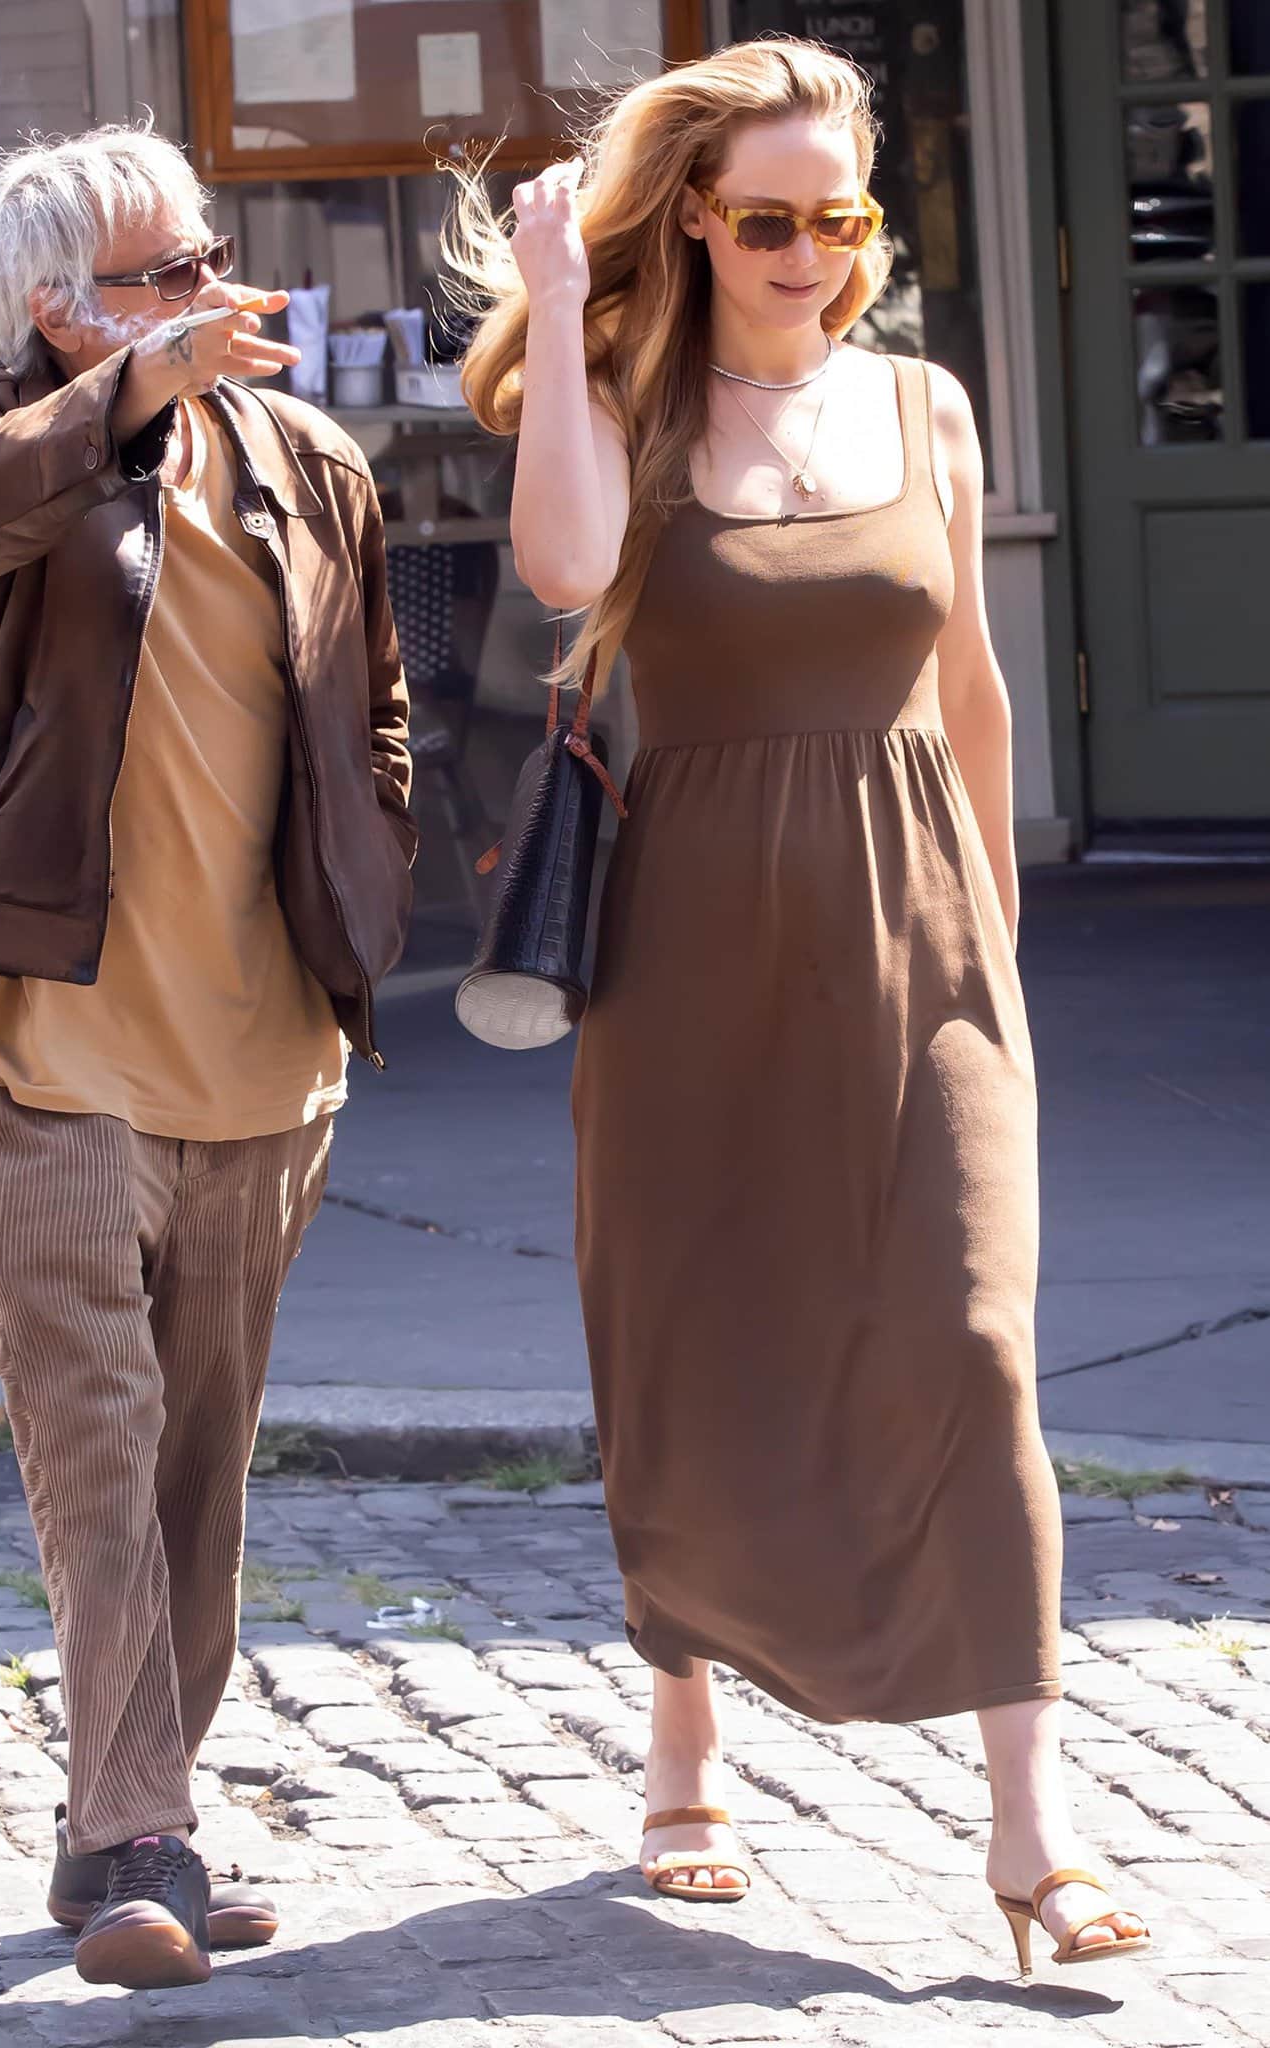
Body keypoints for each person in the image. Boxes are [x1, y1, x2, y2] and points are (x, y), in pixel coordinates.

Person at [451, 38, 1153, 1972]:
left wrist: (993, 941)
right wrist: (556, 303)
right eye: (764, 218)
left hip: (919, 935)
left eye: (836, 216)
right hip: (691, 950)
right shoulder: (621, 403)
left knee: (970, 1341)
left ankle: (1030, 1827)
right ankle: (682, 1730)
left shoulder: (921, 404)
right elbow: (565, 566)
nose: (804, 251)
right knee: (696, 1334)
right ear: (692, 214)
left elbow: (975, 688)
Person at [0, 125, 414, 1990]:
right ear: (55, 309)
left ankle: (128, 1819)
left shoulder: (312, 462)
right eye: (158, 274)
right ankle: (142, 1833)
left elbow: (372, 705)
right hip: (48, 1035)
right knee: (96, 1445)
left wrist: (367, 886)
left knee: (202, 1456)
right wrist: (126, 387)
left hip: (266, 1049)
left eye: (210, 259)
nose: (213, 293)